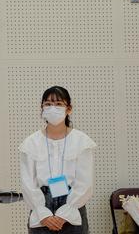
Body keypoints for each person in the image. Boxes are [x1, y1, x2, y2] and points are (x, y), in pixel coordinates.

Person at [19, 86, 95, 233]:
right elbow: (28, 182)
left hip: (73, 203)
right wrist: (42, 213)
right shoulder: (31, 143)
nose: (53, 108)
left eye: (59, 104)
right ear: (42, 108)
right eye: (48, 104)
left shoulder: (82, 141)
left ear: (69, 109)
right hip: (40, 203)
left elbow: (85, 183)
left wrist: (65, 213)